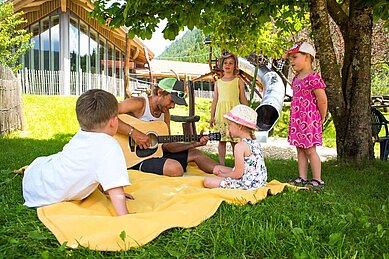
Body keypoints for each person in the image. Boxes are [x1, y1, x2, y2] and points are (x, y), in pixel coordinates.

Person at [22, 89, 132, 216]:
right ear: (113, 122)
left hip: (36, 182)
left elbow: (94, 166)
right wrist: (124, 215)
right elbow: (115, 187)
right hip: (46, 195)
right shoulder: (110, 145)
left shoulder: (82, 134)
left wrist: (104, 189)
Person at [118, 77, 219, 177]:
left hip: (156, 153)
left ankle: (229, 175)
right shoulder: (139, 103)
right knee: (175, 168)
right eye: (172, 101)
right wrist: (134, 133)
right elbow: (106, 115)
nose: (173, 106)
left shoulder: (165, 113)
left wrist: (192, 144)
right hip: (135, 157)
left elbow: (167, 146)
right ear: (160, 93)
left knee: (197, 154)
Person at [286, 41, 328, 191]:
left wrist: (321, 117)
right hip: (298, 119)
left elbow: (322, 100)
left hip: (310, 120)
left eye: (294, 57)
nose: (291, 61)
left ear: (307, 57)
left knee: (310, 149)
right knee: (300, 148)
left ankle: (317, 179)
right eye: (290, 58)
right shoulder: (296, 79)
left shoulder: (313, 78)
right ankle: (302, 177)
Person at [204, 104, 267, 190]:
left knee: (208, 181)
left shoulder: (240, 146)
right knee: (217, 168)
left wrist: (224, 175)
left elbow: (238, 174)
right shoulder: (255, 142)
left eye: (230, 125)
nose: (228, 128)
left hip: (248, 184)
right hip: (258, 181)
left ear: (240, 126)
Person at [210, 53, 248, 165]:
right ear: (222, 66)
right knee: (221, 140)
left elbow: (243, 98)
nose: (228, 65)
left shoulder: (238, 81)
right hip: (221, 114)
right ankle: (221, 164)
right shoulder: (218, 83)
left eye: (231, 63)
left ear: (235, 66)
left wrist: (246, 114)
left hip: (234, 114)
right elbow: (215, 100)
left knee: (234, 140)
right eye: (225, 63)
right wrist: (212, 116)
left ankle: (238, 164)